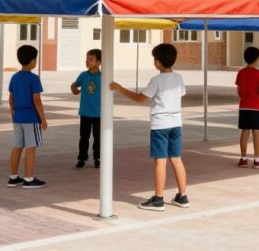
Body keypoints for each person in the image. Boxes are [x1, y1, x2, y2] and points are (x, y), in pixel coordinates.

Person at [111, 43, 190, 212]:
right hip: (176, 123)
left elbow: (140, 98)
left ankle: (158, 199)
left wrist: (120, 89)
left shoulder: (156, 80)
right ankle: (182, 196)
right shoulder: (179, 78)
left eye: (154, 59)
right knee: (176, 159)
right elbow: (180, 94)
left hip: (160, 124)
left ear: (158, 62)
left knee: (160, 160)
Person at [8, 45, 47, 189]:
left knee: (17, 146)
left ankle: (13, 177)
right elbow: (37, 100)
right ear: (32, 61)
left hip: (18, 117)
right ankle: (29, 178)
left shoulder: (15, 77)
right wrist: (43, 119)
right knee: (31, 147)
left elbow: (11, 98)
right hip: (31, 117)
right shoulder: (34, 78)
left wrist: (13, 111)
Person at [236, 47, 259, 168]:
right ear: (256, 59)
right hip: (256, 107)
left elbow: (239, 91)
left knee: (244, 131)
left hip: (244, 106)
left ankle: (243, 158)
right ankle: (257, 159)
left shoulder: (241, 73)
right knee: (256, 133)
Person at [70, 49, 102, 170]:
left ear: (98, 62)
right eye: (87, 59)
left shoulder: (104, 77)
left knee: (98, 138)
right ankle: (82, 158)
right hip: (85, 112)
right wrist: (74, 89)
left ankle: (97, 157)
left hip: (99, 114)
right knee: (84, 137)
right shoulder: (83, 75)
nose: (87, 61)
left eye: (91, 59)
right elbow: (74, 85)